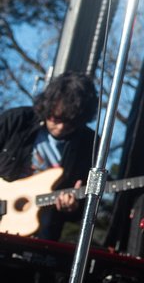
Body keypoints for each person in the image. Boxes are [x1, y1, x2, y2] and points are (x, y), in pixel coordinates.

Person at [0, 71, 97, 240]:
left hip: (40, 240)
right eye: (56, 118)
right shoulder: (17, 120)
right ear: (48, 105)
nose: (61, 127)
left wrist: (73, 208)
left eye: (71, 122)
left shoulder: (89, 144)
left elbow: (84, 211)